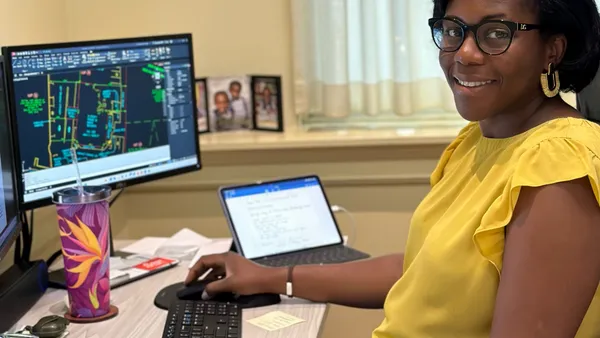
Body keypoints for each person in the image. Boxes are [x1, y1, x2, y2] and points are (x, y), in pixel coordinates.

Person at [187, 0, 600, 336]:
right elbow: (421, 270)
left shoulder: (560, 164)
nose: (465, 54)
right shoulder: (479, 140)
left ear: (553, 49)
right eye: (454, 30)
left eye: (496, 33)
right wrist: (270, 277)